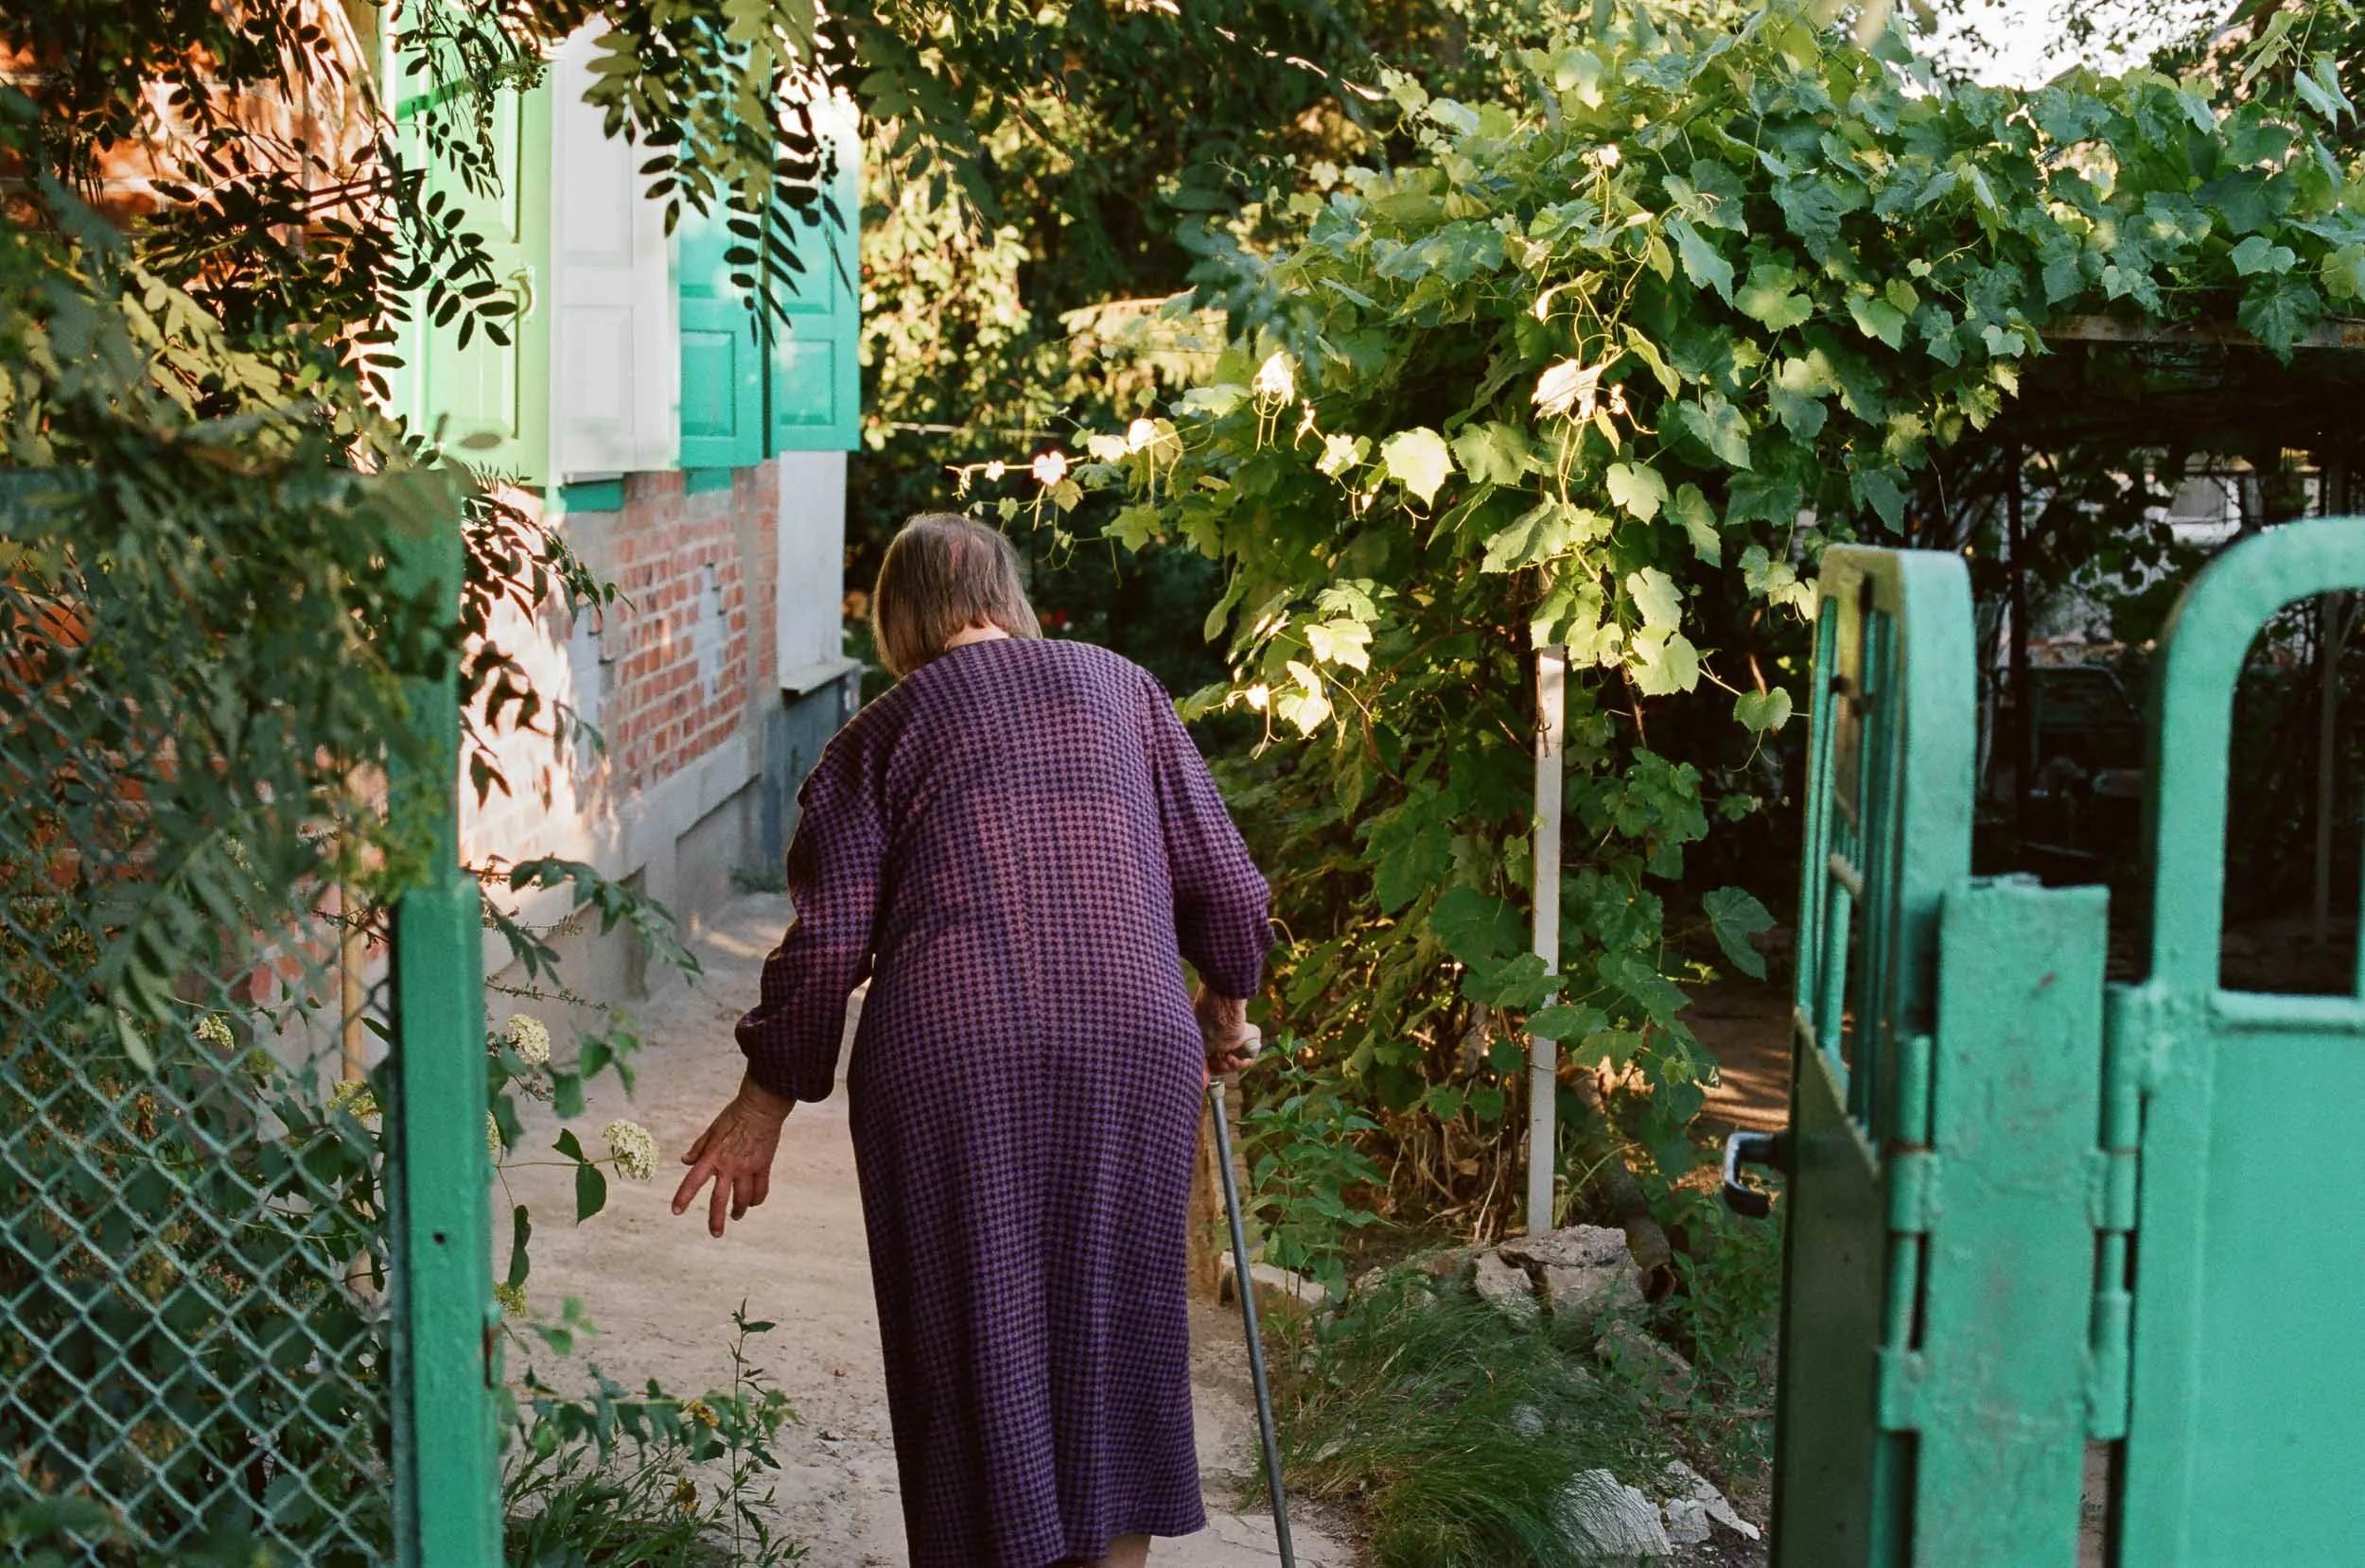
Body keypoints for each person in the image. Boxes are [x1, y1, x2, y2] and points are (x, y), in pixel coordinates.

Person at [671, 513, 1271, 1568]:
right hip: (1130, 1035)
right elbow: (1225, 886)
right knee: (1112, 1321)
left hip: (948, 1051)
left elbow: (827, 946)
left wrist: (763, 1103)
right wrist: (1222, 1013)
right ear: (1004, 594)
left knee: (969, 1326)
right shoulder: (1120, 686)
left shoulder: (876, 736)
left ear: (898, 618)